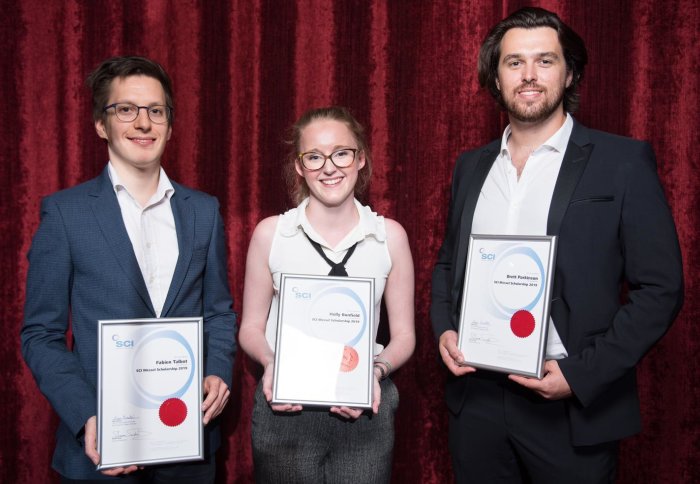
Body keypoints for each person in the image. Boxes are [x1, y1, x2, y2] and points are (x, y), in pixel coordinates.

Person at [430, 7, 683, 483]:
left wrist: (582, 375)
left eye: (544, 60)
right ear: (496, 77)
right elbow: (448, 265)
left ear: (570, 74)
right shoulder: (471, 167)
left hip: (571, 400)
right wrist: (444, 329)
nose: (529, 74)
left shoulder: (622, 162)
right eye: (514, 62)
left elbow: (661, 289)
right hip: (477, 397)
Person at [20, 56, 237, 483]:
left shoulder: (204, 212)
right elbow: (40, 334)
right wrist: (86, 414)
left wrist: (218, 369)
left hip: (187, 443)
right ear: (101, 124)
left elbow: (219, 312)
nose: (143, 123)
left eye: (156, 111)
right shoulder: (65, 214)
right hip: (101, 445)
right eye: (126, 109)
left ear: (170, 126)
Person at [239, 106, 415, 483]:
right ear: (300, 166)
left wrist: (375, 371)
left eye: (341, 153)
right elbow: (250, 327)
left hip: (364, 408)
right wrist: (271, 363)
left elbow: (404, 336)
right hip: (285, 408)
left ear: (360, 158)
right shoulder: (271, 234)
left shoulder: (390, 237)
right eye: (314, 157)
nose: (329, 167)